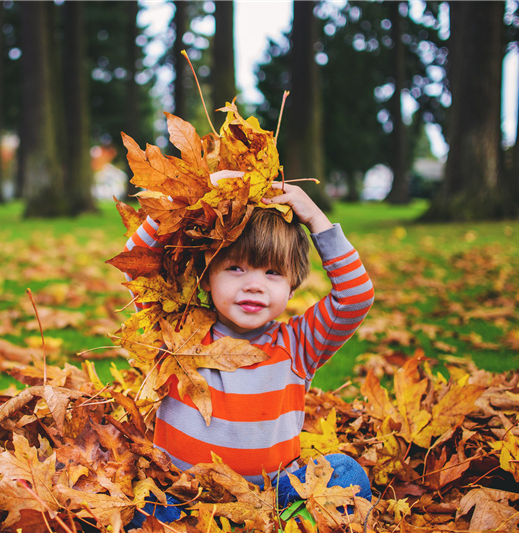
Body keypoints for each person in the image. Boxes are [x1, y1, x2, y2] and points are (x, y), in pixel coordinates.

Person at [123, 178, 375, 526]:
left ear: (292, 286)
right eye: (236, 268)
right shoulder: (175, 331)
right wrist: (193, 194)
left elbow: (356, 297)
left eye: (273, 273)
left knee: (346, 473)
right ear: (206, 276)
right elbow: (135, 263)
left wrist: (317, 220)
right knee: (144, 506)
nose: (254, 284)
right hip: (183, 498)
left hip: (272, 501)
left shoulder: (299, 345)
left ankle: (292, 524)